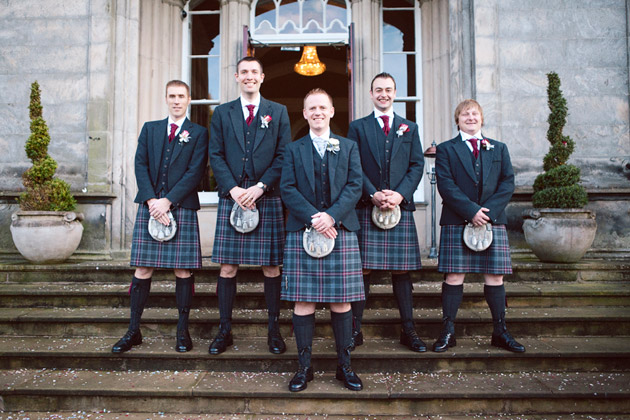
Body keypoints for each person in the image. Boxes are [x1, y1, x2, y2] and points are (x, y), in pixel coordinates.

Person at [112, 80, 209, 354]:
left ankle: (182, 331)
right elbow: (139, 164)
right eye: (171, 96)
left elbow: (195, 171)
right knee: (142, 269)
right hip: (151, 204)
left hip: (181, 205)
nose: (176, 101)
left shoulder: (199, 133)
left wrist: (168, 201)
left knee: (183, 270)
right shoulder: (150, 129)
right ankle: (133, 331)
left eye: (181, 96)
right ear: (166, 99)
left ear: (189, 99)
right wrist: (153, 200)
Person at [281, 89, 365, 392]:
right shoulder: (293, 149)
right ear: (305, 114)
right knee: (303, 301)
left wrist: (332, 216)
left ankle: (345, 366)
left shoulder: (349, 146)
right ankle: (304, 368)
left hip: (339, 229)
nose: (317, 112)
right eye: (311, 108)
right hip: (304, 230)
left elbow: (355, 186)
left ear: (331, 111)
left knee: (341, 301)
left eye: (322, 107)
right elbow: (287, 188)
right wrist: (314, 218)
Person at [208, 56, 291, 355]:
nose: (249, 77)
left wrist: (259, 187)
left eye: (254, 72)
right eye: (244, 72)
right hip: (232, 198)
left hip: (266, 197)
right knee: (228, 268)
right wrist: (232, 188)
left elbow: (283, 155)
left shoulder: (277, 112)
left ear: (262, 77)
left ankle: (274, 330)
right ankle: (224, 331)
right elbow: (215, 155)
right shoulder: (222, 113)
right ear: (236, 77)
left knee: (271, 267)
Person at [433, 99, 525, 353]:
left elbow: (508, 183)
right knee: (454, 276)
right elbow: (446, 184)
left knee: (495, 276)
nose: (470, 117)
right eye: (465, 114)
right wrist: (471, 210)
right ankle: (448, 331)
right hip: (457, 219)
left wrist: (487, 213)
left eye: (475, 114)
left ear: (482, 119)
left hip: (492, 220)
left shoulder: (499, 148)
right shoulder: (446, 149)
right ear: (458, 120)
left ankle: (500, 331)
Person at [346, 73, 426, 352]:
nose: (383, 94)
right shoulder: (357, 127)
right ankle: (355, 331)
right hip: (368, 206)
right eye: (378, 90)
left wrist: (400, 194)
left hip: (399, 208)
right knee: (363, 270)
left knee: (402, 271)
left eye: (388, 90)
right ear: (371, 94)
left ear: (395, 93)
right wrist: (372, 193)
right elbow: (353, 165)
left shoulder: (409, 128)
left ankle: (409, 330)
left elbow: (417, 165)